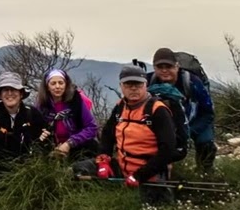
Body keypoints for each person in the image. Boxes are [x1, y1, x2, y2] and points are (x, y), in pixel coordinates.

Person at [74, 66, 178, 203]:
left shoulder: (157, 110)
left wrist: (139, 176)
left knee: (148, 206)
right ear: (121, 86)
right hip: (122, 166)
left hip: (150, 172)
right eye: (128, 85)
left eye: (138, 84)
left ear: (145, 85)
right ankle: (98, 199)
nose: (133, 88)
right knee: (79, 169)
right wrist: (103, 160)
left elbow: (168, 150)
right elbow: (107, 134)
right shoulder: (120, 106)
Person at [0, 72, 48, 204]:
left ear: (21, 94)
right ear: (0, 95)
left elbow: (43, 144)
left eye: (14, 90)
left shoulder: (33, 114)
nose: (9, 94)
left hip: (28, 167)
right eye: (5, 90)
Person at [148, 48, 216, 172]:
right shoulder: (148, 82)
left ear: (177, 66)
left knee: (205, 142)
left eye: (168, 66)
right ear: (154, 68)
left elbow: (207, 112)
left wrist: (189, 131)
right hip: (164, 124)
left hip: (195, 120)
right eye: (160, 67)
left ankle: (205, 172)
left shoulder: (192, 82)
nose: (164, 70)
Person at [35, 69, 99, 159]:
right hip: (51, 147)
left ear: (66, 85)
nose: (57, 86)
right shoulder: (42, 106)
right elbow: (35, 130)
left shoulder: (76, 102)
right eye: (53, 83)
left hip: (78, 146)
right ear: (47, 87)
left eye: (61, 83)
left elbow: (92, 127)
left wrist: (69, 143)